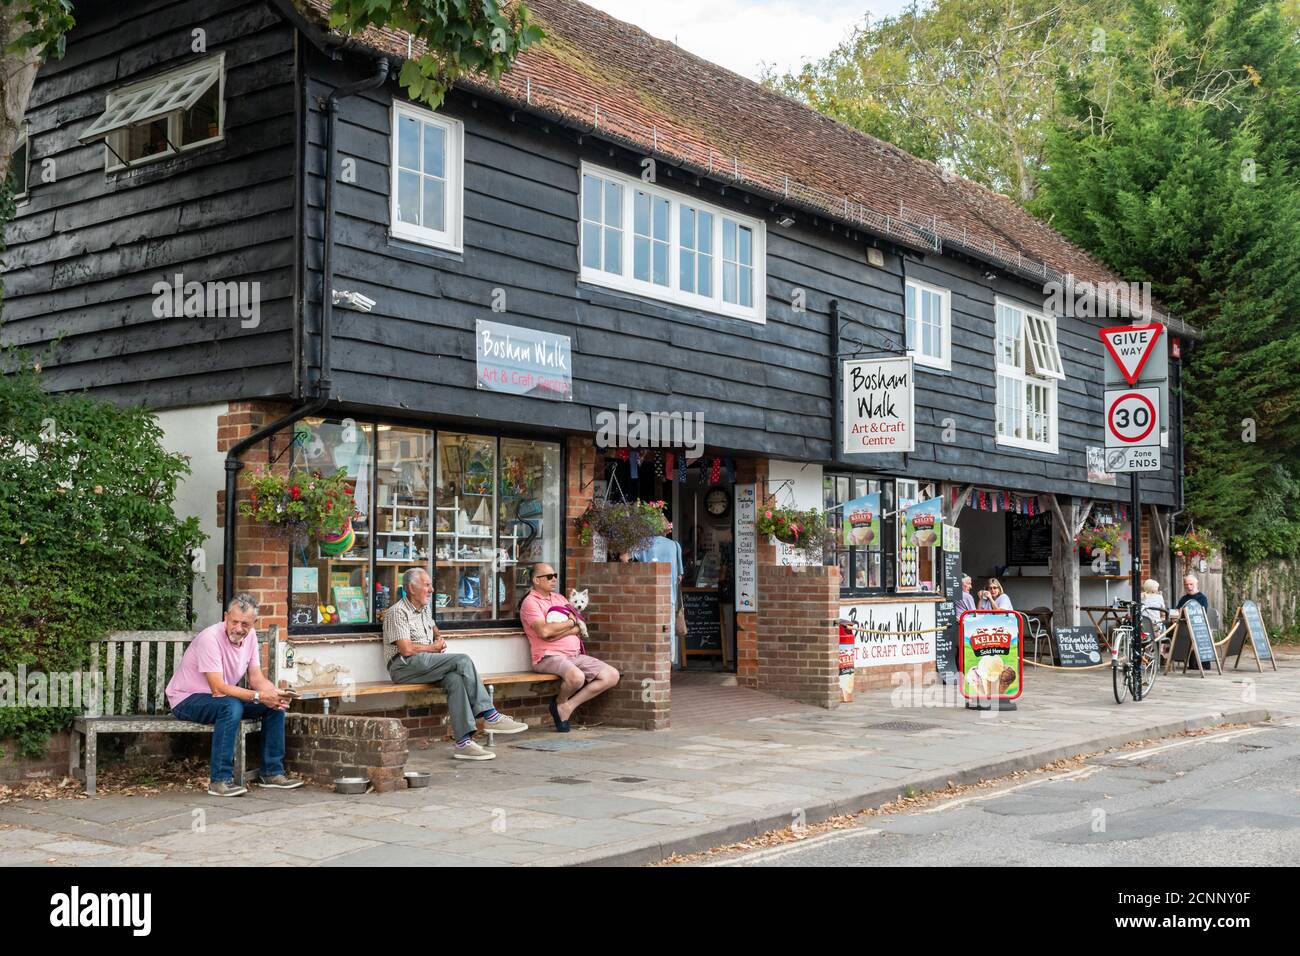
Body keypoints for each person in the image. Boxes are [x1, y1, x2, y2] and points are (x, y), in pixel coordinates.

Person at [166, 594, 304, 797]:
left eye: (245, 624)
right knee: (231, 706)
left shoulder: (251, 637)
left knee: (274, 706)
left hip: (219, 698)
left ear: (253, 623)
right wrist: (259, 696)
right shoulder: (210, 638)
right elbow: (218, 688)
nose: (239, 628)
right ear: (225, 617)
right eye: (234, 622)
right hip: (187, 699)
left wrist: (274, 694)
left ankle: (272, 773)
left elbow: (256, 678)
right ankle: (220, 780)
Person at [383, 568, 528, 760]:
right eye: (427, 585)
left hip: (423, 665)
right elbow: (406, 649)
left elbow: (433, 626)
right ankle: (490, 715)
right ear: (411, 588)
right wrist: (433, 649)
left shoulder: (423, 609)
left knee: (454, 680)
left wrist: (438, 637)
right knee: (462, 660)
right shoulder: (397, 612)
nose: (432, 589)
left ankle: (463, 743)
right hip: (403, 666)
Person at [520, 563, 620, 732]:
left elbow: (578, 626)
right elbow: (545, 631)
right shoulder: (530, 603)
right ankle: (560, 703)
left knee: (611, 675)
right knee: (577, 677)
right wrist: (571, 624)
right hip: (548, 656)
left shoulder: (559, 598)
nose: (555, 579)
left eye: (555, 575)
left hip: (574, 655)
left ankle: (565, 706)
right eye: (550, 576)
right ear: (536, 580)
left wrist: (565, 628)